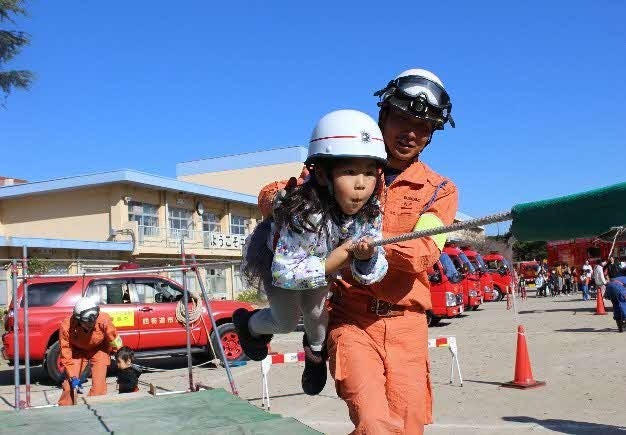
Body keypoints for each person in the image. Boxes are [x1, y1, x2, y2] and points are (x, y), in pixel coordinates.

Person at [257, 68, 458, 434]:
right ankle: (316, 344)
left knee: (409, 427)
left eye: (423, 126)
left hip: (408, 324)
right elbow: (269, 195)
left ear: (432, 135)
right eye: (402, 119)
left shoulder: (439, 190)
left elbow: (424, 252)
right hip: (351, 319)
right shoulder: (342, 160)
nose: (411, 132)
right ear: (383, 115)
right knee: (373, 423)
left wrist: (361, 244)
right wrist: (290, 205)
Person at [235, 109, 389, 395]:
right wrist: (332, 262)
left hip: (322, 265)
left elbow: (375, 264)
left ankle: (316, 354)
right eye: (349, 172)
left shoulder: (370, 211)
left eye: (370, 172)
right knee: (285, 321)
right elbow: (286, 272)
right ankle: (249, 324)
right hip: (281, 263)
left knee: (317, 314)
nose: (361, 184)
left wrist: (367, 259)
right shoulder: (302, 211)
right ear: (321, 173)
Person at [58, 297, 123, 406]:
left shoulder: (103, 319)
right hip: (77, 352)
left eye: (93, 321)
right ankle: (66, 408)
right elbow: (66, 353)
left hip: (99, 350)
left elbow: (114, 339)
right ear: (78, 319)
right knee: (70, 386)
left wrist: (123, 357)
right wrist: (73, 377)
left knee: (99, 387)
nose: (91, 324)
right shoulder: (67, 326)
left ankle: (95, 407)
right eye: (87, 323)